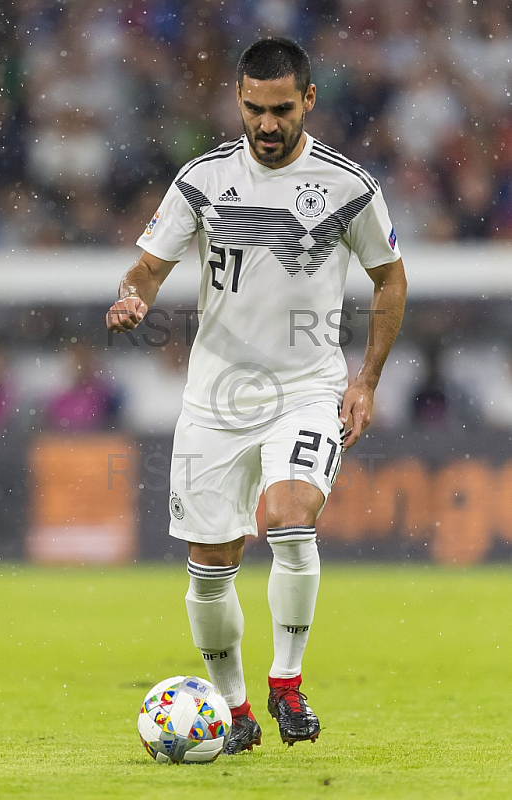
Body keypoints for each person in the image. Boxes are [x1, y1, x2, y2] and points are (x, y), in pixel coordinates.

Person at [106, 37, 407, 754]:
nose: (266, 125)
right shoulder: (204, 179)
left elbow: (389, 278)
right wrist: (132, 299)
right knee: (211, 566)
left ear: (308, 99)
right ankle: (235, 712)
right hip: (215, 399)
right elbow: (148, 267)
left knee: (292, 515)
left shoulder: (347, 185)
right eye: (252, 109)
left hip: (307, 390)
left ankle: (287, 685)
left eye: (279, 109)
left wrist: (365, 381)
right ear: (237, 101)